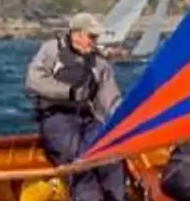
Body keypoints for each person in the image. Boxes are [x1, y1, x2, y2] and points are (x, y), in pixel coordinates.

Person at [25, 12, 127, 201]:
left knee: (111, 157)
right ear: (76, 35)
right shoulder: (51, 51)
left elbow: (110, 99)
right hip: (56, 118)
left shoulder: (99, 62)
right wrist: (68, 92)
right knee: (79, 163)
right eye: (91, 37)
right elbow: (34, 81)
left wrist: (125, 117)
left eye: (96, 37)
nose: (94, 42)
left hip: (88, 119)